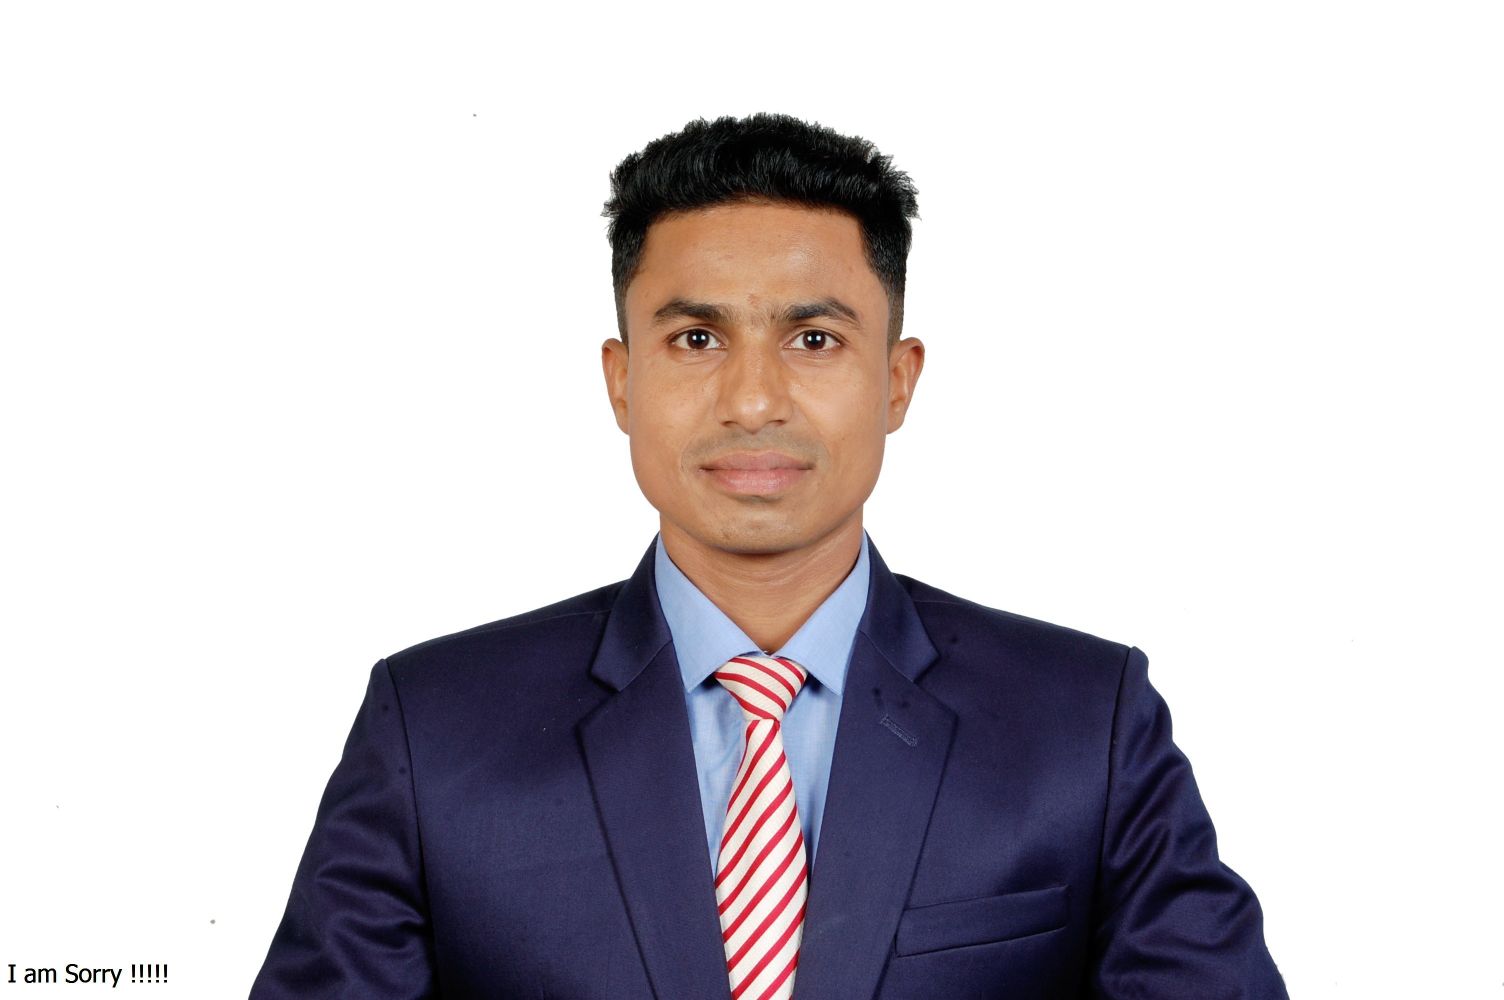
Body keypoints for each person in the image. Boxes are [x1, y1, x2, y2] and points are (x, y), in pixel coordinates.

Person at [250, 113, 1287, 1000]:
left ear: (896, 380)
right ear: (621, 381)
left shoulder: (1084, 725)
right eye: (696, 339)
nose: (752, 401)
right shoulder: (433, 732)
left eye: (813, 339)